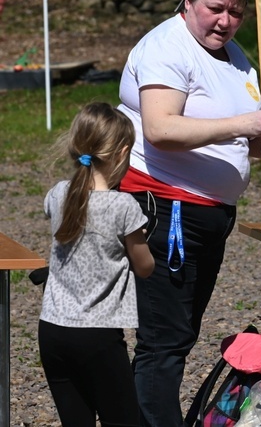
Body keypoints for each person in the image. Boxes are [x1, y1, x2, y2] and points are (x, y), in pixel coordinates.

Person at [117, 0, 261, 426]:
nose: (225, 21)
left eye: (236, 13)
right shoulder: (167, 45)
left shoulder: (234, 56)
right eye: (216, 8)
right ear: (189, 0)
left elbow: (226, 137)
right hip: (164, 207)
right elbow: (160, 128)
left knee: (180, 334)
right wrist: (247, 123)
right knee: (164, 339)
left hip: (208, 213)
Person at [38, 102, 155, 427]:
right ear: (122, 153)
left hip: (52, 330)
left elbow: (59, 210)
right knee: (123, 420)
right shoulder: (124, 206)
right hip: (98, 336)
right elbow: (144, 267)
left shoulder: (59, 193)